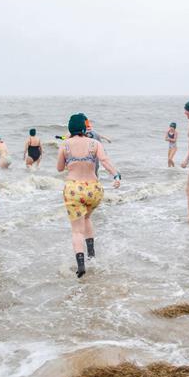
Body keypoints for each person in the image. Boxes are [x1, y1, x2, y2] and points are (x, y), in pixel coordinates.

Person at [56, 113, 121, 278]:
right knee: (87, 219)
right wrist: (116, 175)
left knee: (77, 231)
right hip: (94, 189)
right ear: (84, 128)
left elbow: (59, 168)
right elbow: (105, 161)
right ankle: (92, 254)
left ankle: (81, 266)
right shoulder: (95, 143)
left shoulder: (65, 145)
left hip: (73, 190)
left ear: (70, 128)